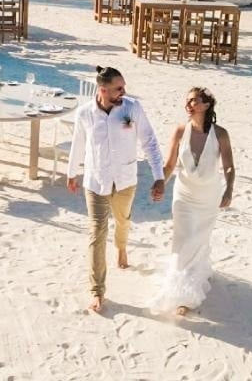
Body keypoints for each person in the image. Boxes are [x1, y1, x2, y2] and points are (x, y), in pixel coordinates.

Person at [67, 66, 164, 313]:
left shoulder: (133, 108)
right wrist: (71, 172)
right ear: (103, 90)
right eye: (118, 88)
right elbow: (78, 143)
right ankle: (97, 290)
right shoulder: (85, 114)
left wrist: (158, 176)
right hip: (95, 181)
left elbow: (149, 141)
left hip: (125, 179)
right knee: (96, 233)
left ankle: (121, 247)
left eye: (123, 87)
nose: (124, 91)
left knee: (123, 220)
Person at [149, 87, 235, 316]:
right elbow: (169, 165)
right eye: (187, 101)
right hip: (184, 195)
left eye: (194, 101)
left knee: (198, 240)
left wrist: (229, 191)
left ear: (206, 105)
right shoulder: (179, 131)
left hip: (209, 197)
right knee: (184, 238)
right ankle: (181, 293)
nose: (188, 105)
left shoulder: (221, 134)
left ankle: (192, 284)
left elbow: (228, 165)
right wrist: (160, 183)